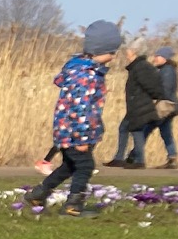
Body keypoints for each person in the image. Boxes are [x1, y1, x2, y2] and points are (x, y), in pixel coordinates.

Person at [26, 20, 119, 216]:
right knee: (86, 166)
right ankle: (73, 205)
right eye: (111, 51)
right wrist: (83, 137)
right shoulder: (87, 76)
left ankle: (38, 194)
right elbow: (81, 107)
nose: (114, 56)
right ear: (99, 51)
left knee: (69, 166)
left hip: (65, 130)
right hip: (75, 131)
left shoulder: (77, 70)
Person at [106, 46, 171, 169]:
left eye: (129, 52)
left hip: (139, 104)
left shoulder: (141, 67)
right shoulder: (138, 66)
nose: (126, 54)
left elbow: (151, 86)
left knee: (136, 130)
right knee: (125, 128)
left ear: (134, 52)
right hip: (136, 104)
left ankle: (139, 161)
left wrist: (154, 96)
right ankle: (120, 158)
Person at [153, 46, 178, 170]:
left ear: (165, 58)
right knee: (166, 131)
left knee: (145, 129)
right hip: (170, 105)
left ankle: (135, 156)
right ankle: (172, 158)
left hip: (167, 106)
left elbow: (166, 89)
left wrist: (155, 96)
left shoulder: (167, 70)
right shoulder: (166, 69)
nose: (155, 58)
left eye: (157, 56)